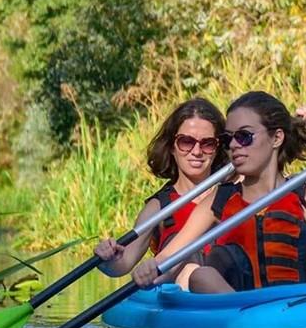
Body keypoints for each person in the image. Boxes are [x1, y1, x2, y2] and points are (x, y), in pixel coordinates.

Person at [135, 91, 306, 293]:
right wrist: (149, 269)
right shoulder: (219, 200)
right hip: (243, 312)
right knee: (202, 277)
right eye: (229, 139)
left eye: (244, 137)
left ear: (277, 138)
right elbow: (169, 255)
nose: (234, 146)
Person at [94, 97, 229, 279]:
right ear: (172, 146)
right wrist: (106, 259)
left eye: (208, 144)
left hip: (228, 286)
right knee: (188, 259)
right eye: (186, 142)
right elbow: (123, 264)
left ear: (218, 148)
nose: (197, 151)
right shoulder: (158, 207)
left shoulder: (233, 193)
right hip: (179, 288)